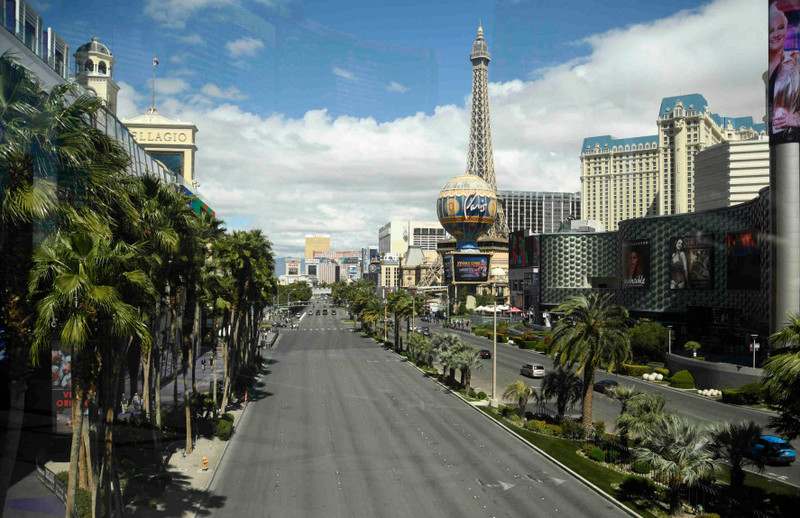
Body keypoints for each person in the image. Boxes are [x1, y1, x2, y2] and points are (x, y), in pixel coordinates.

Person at [770, 3, 800, 140]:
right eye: (771, 31)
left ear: (787, 29)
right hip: (771, 144)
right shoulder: (765, 71)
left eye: (781, 28)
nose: (776, 34)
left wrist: (796, 119)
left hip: (790, 139)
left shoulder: (796, 59)